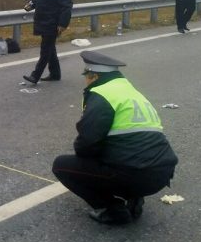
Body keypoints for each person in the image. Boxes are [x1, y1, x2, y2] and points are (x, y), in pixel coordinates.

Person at [52, 51, 178, 225]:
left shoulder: (102, 94)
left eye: (86, 77)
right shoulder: (131, 92)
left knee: (61, 166)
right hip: (162, 173)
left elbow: (86, 145)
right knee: (128, 151)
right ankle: (134, 199)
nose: (85, 81)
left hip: (136, 175)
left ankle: (113, 210)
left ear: (94, 76)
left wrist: (91, 166)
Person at [23, 0, 73, 84]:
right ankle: (55, 74)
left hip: (53, 22)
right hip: (41, 20)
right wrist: (30, 5)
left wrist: (63, 24)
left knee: (45, 49)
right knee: (50, 48)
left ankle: (35, 75)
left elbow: (66, 5)